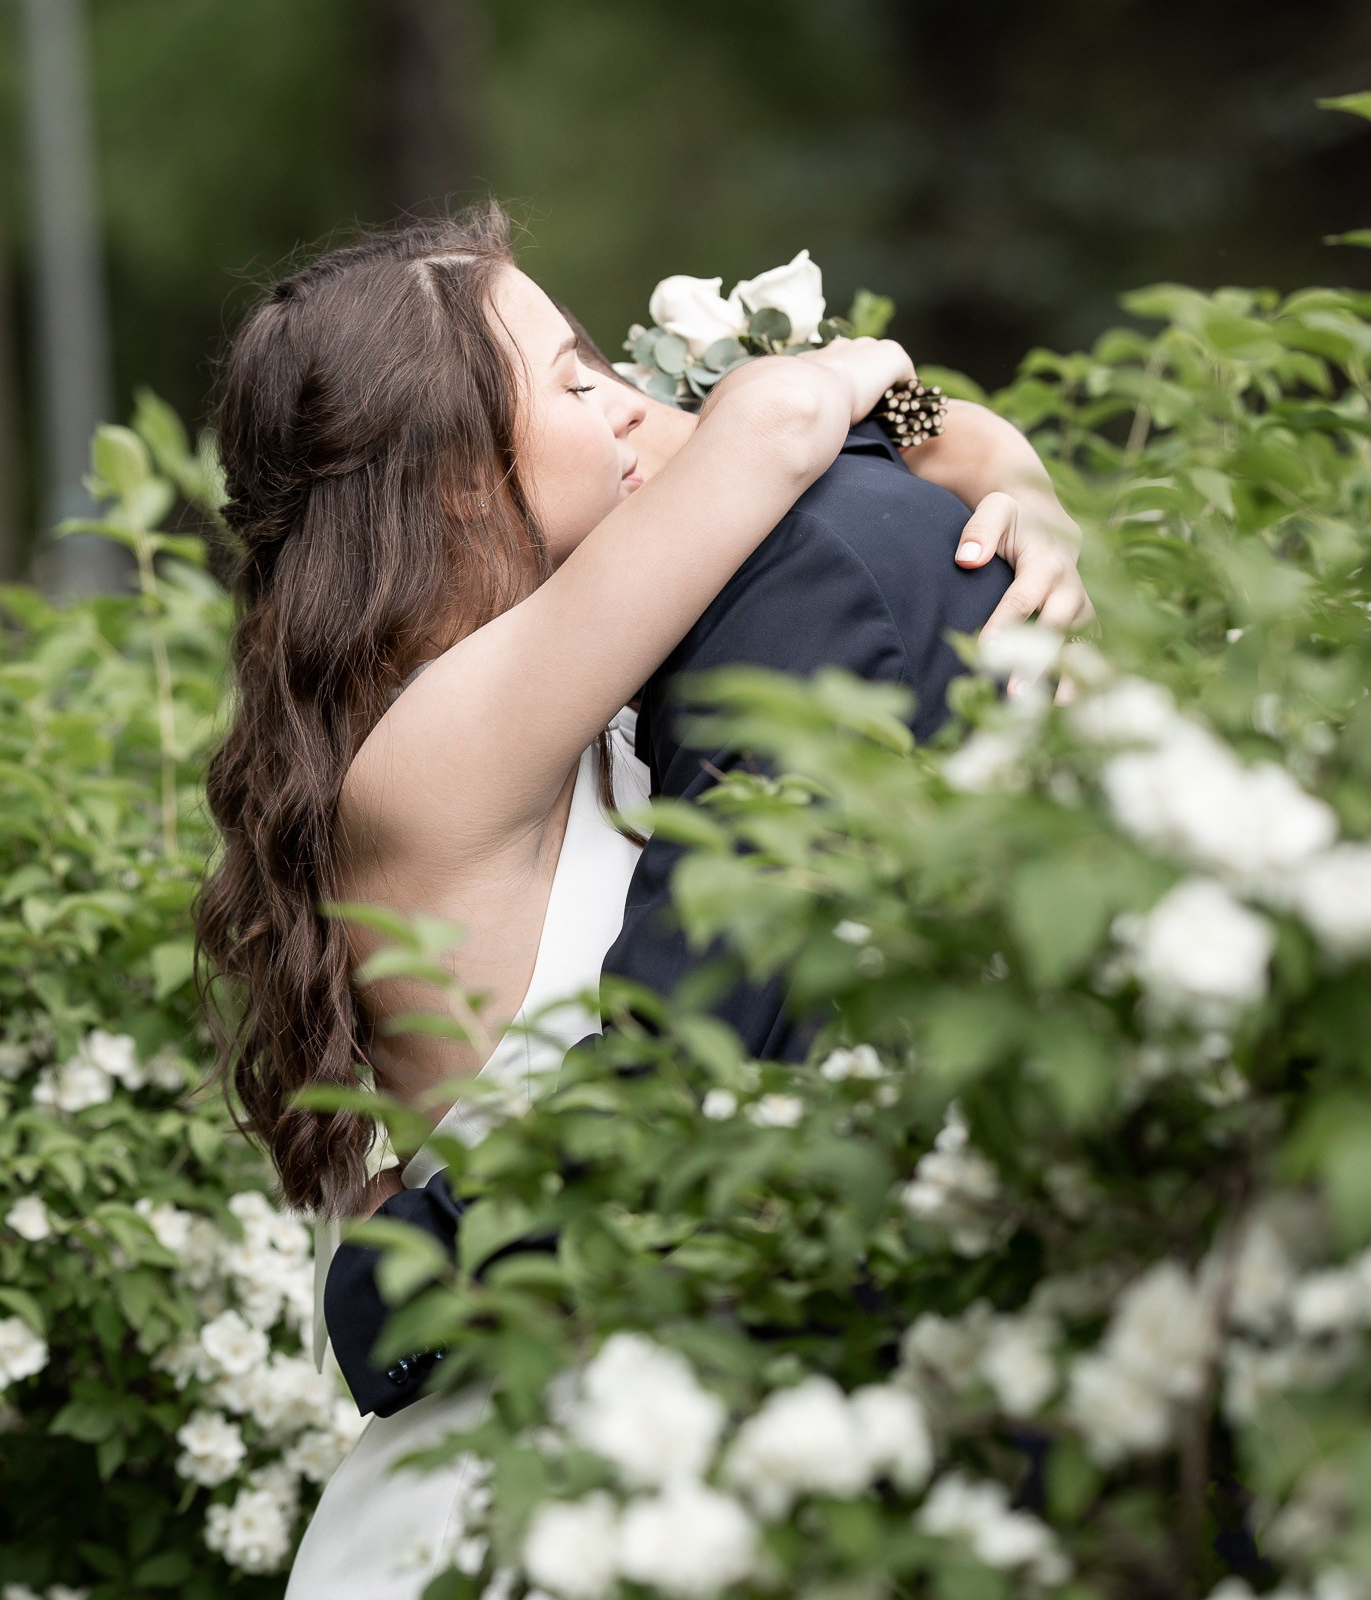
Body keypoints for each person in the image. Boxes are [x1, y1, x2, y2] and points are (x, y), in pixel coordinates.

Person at [188, 204, 1091, 1597]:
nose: (627, 405)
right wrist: (865, 375)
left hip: (672, 1430)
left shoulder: (559, 667)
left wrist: (1013, 479)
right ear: (450, 484)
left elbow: (919, 444)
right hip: (542, 1493)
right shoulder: (428, 754)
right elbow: (778, 422)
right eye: (571, 379)